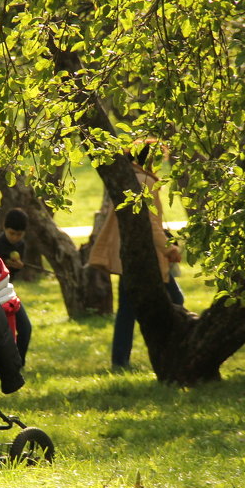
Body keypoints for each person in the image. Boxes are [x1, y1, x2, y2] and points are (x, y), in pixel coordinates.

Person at [87, 145, 183, 371]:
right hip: (145, 256)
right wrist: (168, 248)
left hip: (128, 255)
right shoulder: (145, 182)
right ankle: (172, 351)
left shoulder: (130, 178)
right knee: (175, 301)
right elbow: (151, 224)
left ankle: (120, 361)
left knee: (127, 310)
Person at [0, 207, 32, 363]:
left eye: (19, 234)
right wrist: (4, 265)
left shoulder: (21, 245)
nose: (15, 238)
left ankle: (18, 364)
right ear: (4, 229)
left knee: (25, 328)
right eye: (12, 233)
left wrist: (15, 268)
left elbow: (11, 278)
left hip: (8, 292)